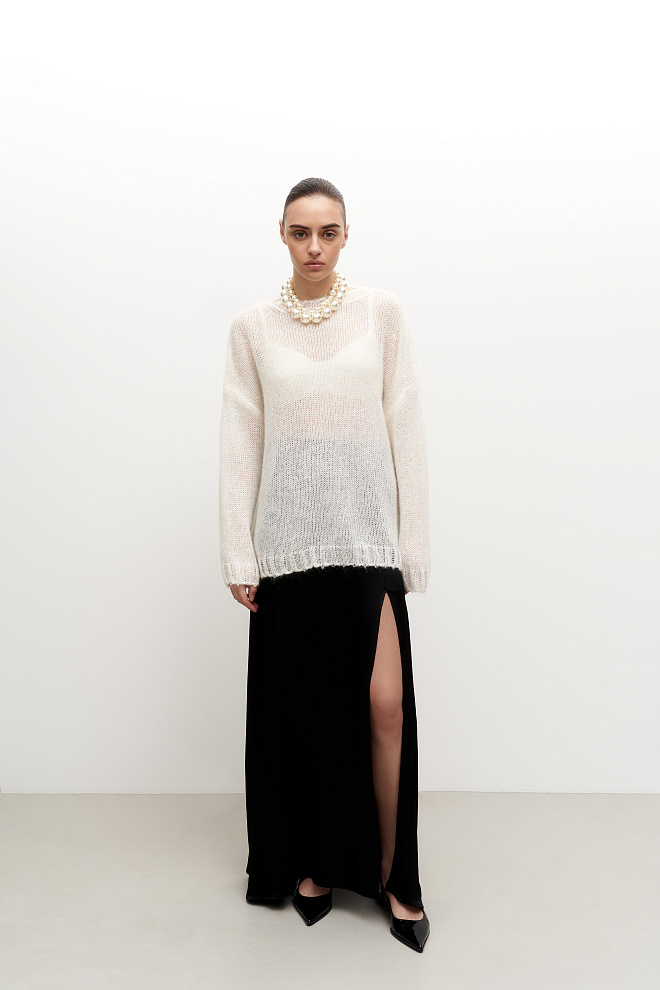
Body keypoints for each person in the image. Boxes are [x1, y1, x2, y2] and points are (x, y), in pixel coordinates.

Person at [218, 177, 431, 952]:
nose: (315, 247)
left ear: (346, 235)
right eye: (301, 232)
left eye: (328, 232)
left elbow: (404, 419)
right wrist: (239, 551)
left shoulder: (381, 314)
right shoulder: (252, 327)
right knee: (306, 717)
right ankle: (313, 865)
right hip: (289, 547)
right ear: (281, 233)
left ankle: (396, 877)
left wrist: (413, 543)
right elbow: (242, 436)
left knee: (384, 708)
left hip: (367, 539)